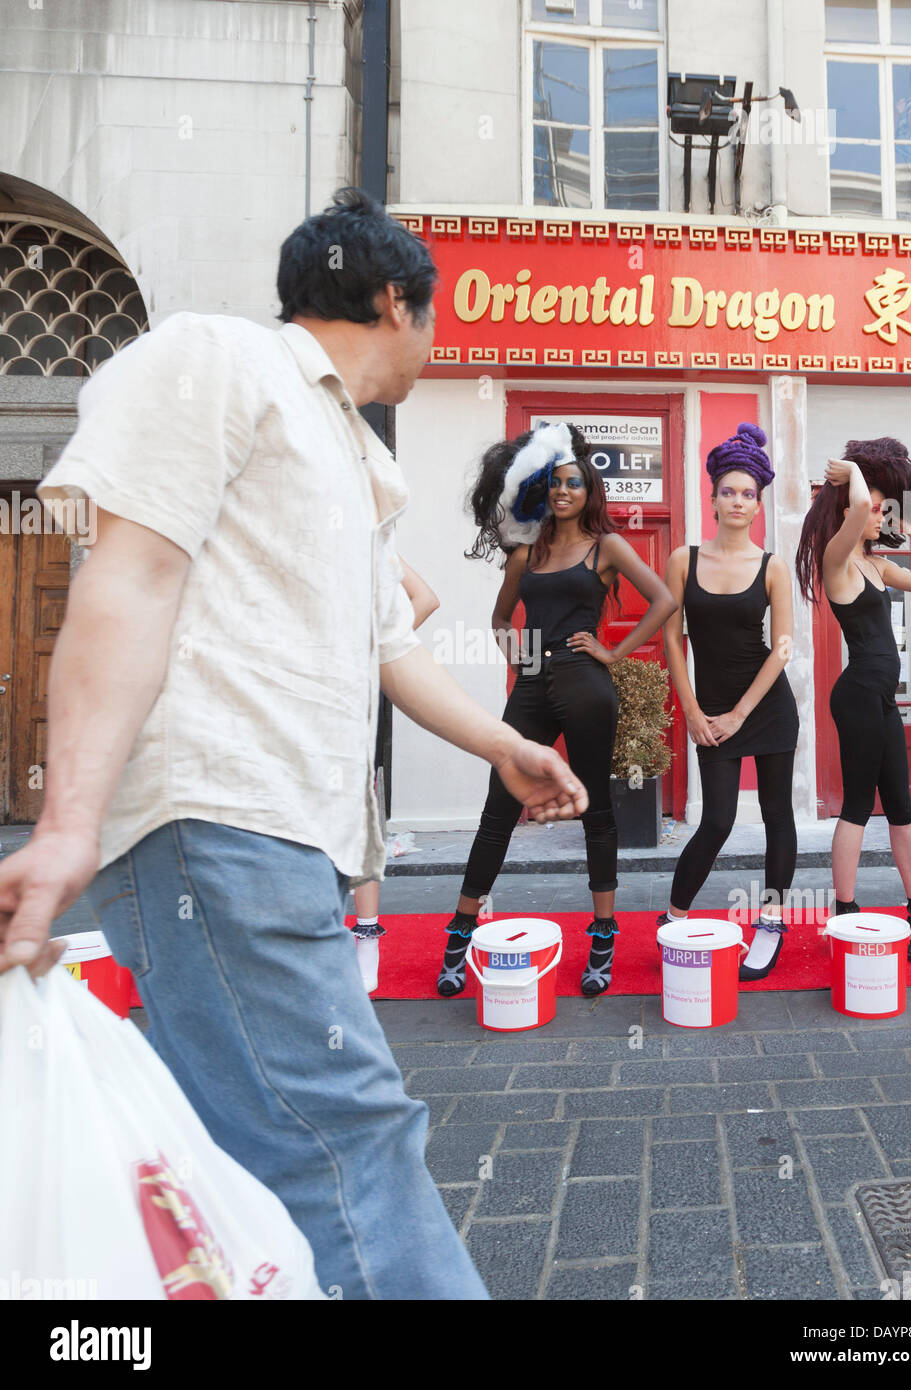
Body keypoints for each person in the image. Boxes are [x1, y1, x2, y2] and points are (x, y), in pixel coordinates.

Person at [0, 188, 593, 1301]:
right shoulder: (218, 360)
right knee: (349, 1141)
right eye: (436, 314)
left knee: (252, 1155)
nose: (439, 340)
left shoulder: (356, 457)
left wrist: (503, 745)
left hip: (281, 838)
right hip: (221, 820)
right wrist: (68, 825)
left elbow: (389, 648)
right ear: (394, 301)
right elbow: (130, 574)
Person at [436, 421, 676, 998]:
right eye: (555, 485)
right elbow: (500, 619)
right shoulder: (528, 551)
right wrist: (519, 658)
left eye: (574, 484)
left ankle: (602, 932)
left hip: (586, 683)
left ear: (590, 491)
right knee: (500, 806)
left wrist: (612, 652)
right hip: (533, 685)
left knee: (594, 804)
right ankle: (460, 932)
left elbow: (666, 599)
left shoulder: (607, 547)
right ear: (544, 491)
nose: (564, 492)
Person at [796, 438, 911, 964]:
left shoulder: (876, 567)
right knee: (860, 806)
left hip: (880, 698)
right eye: (878, 506)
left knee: (902, 810)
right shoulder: (835, 561)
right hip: (857, 694)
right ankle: (844, 910)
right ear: (848, 510)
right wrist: (851, 475)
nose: (879, 513)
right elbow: (858, 503)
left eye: (885, 507)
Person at [660, 423, 799, 982]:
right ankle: (674, 917)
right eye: (729, 491)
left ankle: (769, 925)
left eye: (749, 494)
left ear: (758, 504)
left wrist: (741, 713)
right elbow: (673, 638)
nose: (738, 501)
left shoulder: (772, 567)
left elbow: (783, 648)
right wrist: (692, 711)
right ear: (713, 497)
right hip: (709, 707)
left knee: (776, 815)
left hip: (764, 706)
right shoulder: (682, 559)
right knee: (716, 819)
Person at [351, 558, 439, 994]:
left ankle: (366, 937)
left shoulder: (368, 535)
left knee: (359, 813)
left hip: (357, 689)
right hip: (293, 688)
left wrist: (374, 649)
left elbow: (425, 598)